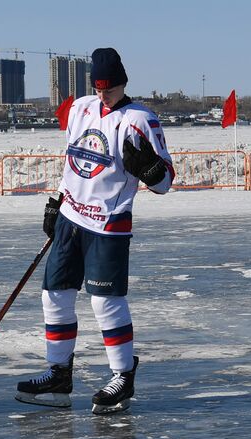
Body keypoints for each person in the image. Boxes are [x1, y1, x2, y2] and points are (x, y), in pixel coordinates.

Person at [16, 48, 174, 414]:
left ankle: (122, 375)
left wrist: (149, 169)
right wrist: (57, 203)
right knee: (53, 296)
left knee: (105, 302)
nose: (104, 96)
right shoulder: (80, 108)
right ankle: (58, 374)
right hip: (71, 217)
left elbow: (165, 181)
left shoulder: (140, 120)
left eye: (111, 89)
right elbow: (74, 159)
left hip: (109, 223)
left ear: (123, 83)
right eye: (99, 88)